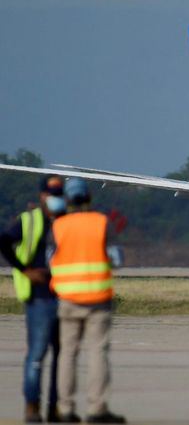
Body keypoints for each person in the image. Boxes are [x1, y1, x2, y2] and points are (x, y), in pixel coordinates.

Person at [50, 178, 125, 424]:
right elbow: (116, 258)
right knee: (97, 353)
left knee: (67, 354)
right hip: (97, 298)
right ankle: (96, 409)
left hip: (68, 298)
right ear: (89, 198)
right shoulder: (101, 223)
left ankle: (65, 409)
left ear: (68, 200)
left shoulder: (59, 226)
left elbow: (50, 258)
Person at [0, 175, 66, 423]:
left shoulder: (67, 222)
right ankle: (32, 405)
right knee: (37, 354)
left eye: (59, 194)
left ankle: (55, 406)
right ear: (41, 195)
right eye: (51, 194)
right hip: (39, 298)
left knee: (62, 356)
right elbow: (4, 241)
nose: (55, 199)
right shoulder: (29, 221)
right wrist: (23, 269)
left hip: (65, 296)